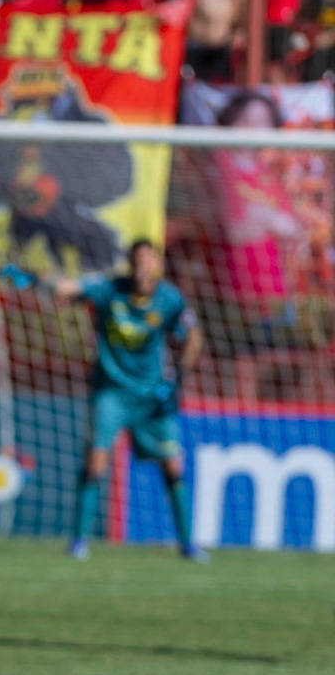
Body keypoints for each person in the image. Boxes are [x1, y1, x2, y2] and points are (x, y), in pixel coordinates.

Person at [46, 240, 206, 560]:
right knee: (95, 460)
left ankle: (188, 544)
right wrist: (35, 278)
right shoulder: (110, 290)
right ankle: (78, 541)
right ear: (130, 265)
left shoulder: (170, 299)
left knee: (173, 465)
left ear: (158, 264)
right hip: (112, 392)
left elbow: (194, 336)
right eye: (137, 261)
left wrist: (178, 380)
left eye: (149, 260)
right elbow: (67, 287)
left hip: (152, 395)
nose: (143, 267)